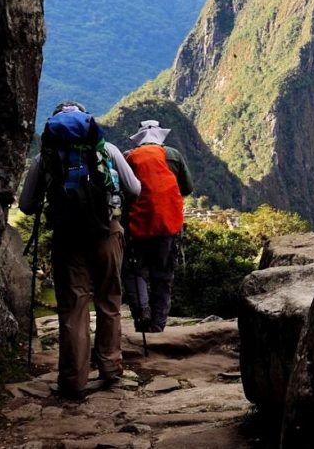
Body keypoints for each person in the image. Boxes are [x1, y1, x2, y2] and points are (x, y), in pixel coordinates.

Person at [19, 101, 141, 400]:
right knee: (109, 300)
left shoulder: (45, 158)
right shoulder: (107, 150)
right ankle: (111, 367)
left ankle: (73, 380)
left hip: (67, 240)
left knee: (73, 308)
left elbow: (26, 205)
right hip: (106, 233)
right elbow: (135, 189)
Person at [122, 120, 193, 333]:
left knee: (133, 271)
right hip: (168, 225)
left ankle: (142, 311)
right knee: (162, 275)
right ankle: (158, 325)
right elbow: (187, 188)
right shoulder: (173, 155)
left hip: (138, 225)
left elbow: (123, 189)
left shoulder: (129, 157)